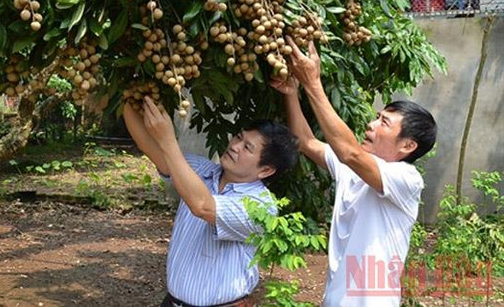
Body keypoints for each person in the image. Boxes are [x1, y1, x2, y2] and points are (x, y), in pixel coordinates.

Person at [271, 38, 437, 307]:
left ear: (408, 145)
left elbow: (349, 152)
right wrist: (291, 92)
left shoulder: (406, 179)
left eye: (383, 122)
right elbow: (305, 141)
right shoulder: (353, 170)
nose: (371, 125)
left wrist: (313, 84)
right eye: (377, 117)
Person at [123, 96, 299, 307]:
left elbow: (203, 206)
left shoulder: (261, 207)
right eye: (238, 138)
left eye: (247, 148)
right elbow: (150, 146)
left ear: (266, 170)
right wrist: (129, 95)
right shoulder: (202, 170)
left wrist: (168, 140)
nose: (235, 146)